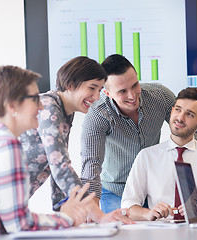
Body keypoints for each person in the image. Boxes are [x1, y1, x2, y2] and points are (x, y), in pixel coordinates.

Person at [0, 66, 95, 238]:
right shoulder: (6, 147)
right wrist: (66, 218)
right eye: (34, 99)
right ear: (12, 106)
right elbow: (20, 224)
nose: (41, 106)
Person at [19, 56, 132, 224]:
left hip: (12, 198)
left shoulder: (65, 112)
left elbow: (57, 165)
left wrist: (62, 209)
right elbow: (60, 166)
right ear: (70, 84)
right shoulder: (49, 108)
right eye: (92, 88)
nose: (95, 97)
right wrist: (98, 216)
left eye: (100, 90)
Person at [80, 54, 176, 213]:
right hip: (116, 191)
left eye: (135, 85)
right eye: (122, 91)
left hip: (156, 188)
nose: (132, 95)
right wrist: (92, 210)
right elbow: (91, 164)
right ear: (107, 92)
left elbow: (188, 131)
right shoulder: (98, 114)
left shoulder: (161, 96)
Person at [121, 88, 197, 221]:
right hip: (161, 230)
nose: (180, 118)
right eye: (178, 109)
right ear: (171, 111)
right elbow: (128, 204)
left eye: (190, 114)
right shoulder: (146, 156)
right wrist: (149, 213)